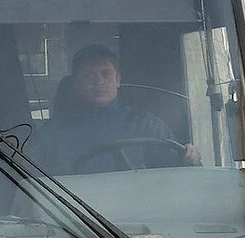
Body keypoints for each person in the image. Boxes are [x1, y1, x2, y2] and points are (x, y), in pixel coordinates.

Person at [39, 43, 201, 174]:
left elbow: (176, 177)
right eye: (88, 75)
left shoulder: (147, 125)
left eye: (105, 74)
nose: (99, 82)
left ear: (118, 80)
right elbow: (33, 184)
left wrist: (189, 161)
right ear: (76, 84)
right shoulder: (52, 134)